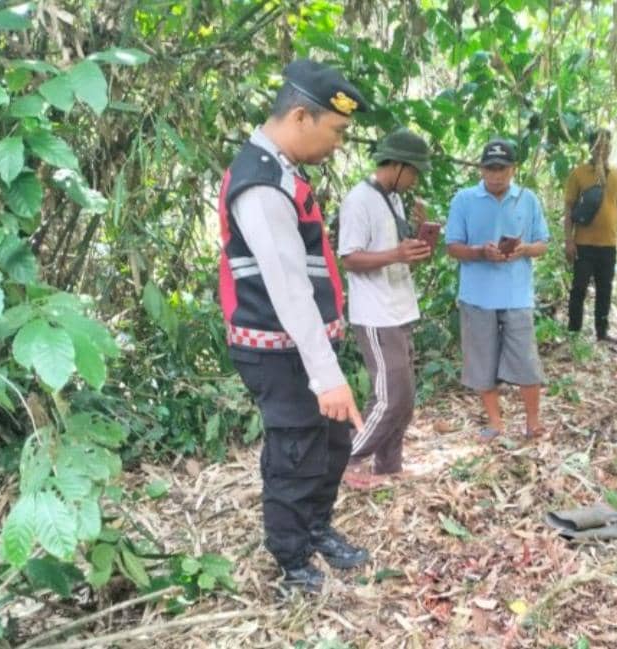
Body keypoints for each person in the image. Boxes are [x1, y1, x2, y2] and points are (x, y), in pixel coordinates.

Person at [218, 59, 371, 593]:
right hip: (278, 350)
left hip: (303, 347)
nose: (339, 143)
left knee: (330, 444)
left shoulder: (282, 171)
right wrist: (326, 375)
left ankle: (314, 529)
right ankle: (291, 560)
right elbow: (287, 288)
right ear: (302, 116)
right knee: (296, 450)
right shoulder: (260, 183)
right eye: (337, 130)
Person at [337, 128, 432, 489]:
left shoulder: (392, 199)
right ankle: (345, 461)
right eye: (413, 171)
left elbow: (398, 257)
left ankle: (388, 464)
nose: (415, 179)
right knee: (389, 397)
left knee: (404, 398)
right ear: (396, 166)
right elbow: (350, 257)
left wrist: (419, 238)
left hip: (399, 307)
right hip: (376, 313)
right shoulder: (359, 200)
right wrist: (396, 253)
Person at [445, 138, 550, 440]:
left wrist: (526, 249)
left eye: (502, 168)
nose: (496, 175)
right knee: (481, 361)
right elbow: (453, 247)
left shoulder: (527, 199)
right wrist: (481, 252)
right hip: (477, 295)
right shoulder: (464, 200)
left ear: (513, 169)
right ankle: (495, 422)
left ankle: (533, 423)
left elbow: (543, 243)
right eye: (490, 168)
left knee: (526, 360)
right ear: (481, 169)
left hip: (517, 294)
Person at [564, 129, 617, 344]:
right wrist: (569, 240)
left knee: (605, 289)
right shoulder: (579, 174)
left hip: (608, 244)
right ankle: (574, 331)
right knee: (579, 288)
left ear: (611, 148)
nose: (602, 150)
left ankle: (602, 333)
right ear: (590, 148)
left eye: (606, 146)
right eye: (597, 146)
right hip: (583, 244)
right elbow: (569, 209)